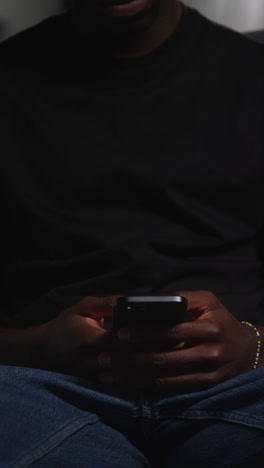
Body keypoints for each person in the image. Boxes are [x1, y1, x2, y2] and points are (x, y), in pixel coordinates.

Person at [0, 0, 264, 466]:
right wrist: (35, 346)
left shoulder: (251, 75)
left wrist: (253, 345)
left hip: (245, 387)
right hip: (37, 388)